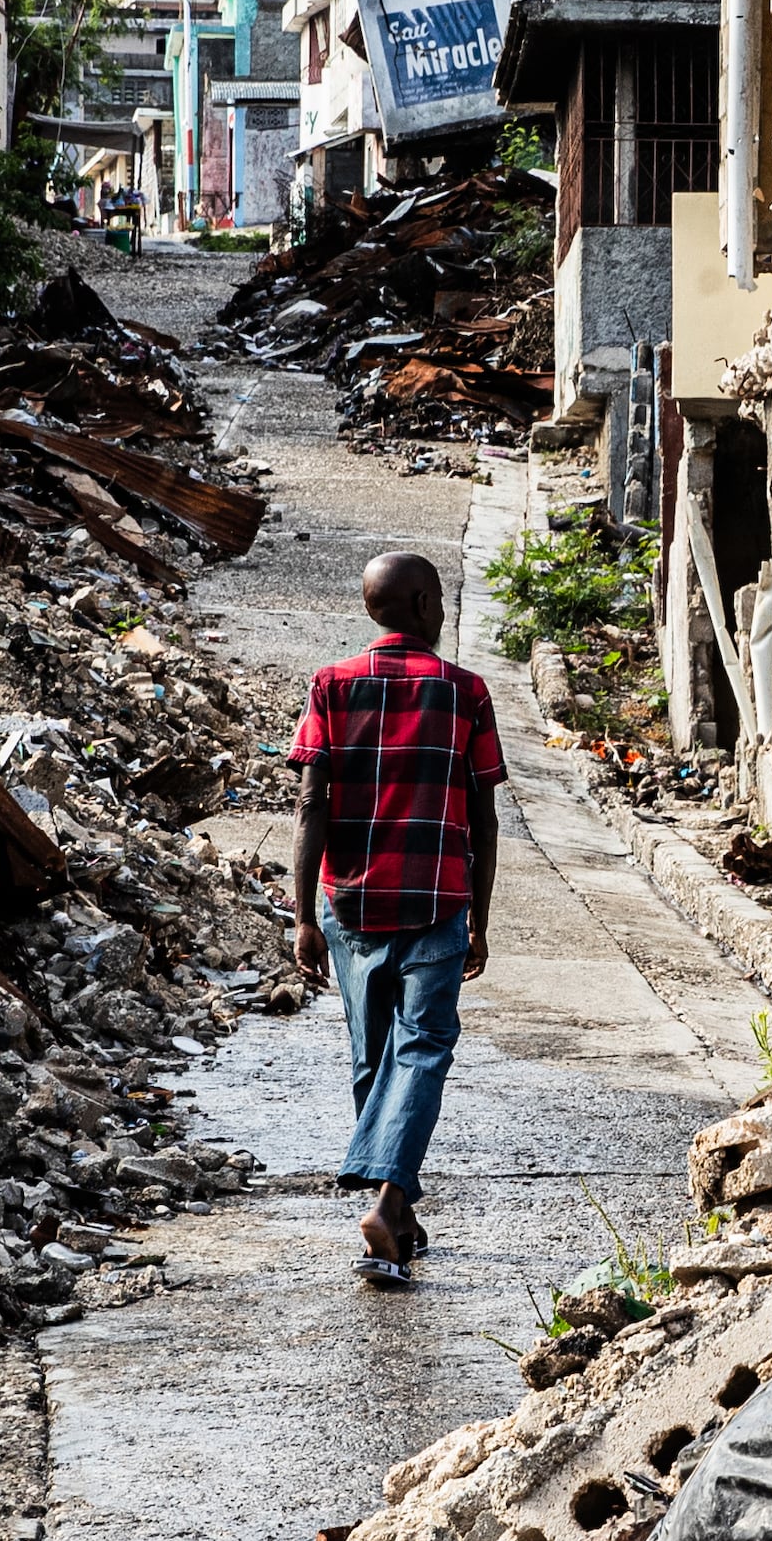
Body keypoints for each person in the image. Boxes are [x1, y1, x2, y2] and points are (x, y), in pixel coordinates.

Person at [289, 550, 501, 1285]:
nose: (440, 609)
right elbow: (484, 818)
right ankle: (386, 1205)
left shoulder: (331, 685)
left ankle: (398, 1210)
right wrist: (479, 919)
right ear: (421, 606)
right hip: (437, 899)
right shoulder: (465, 692)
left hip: (349, 903)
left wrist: (303, 917)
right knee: (423, 1049)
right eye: (437, 598)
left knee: (373, 1057)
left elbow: (310, 805)